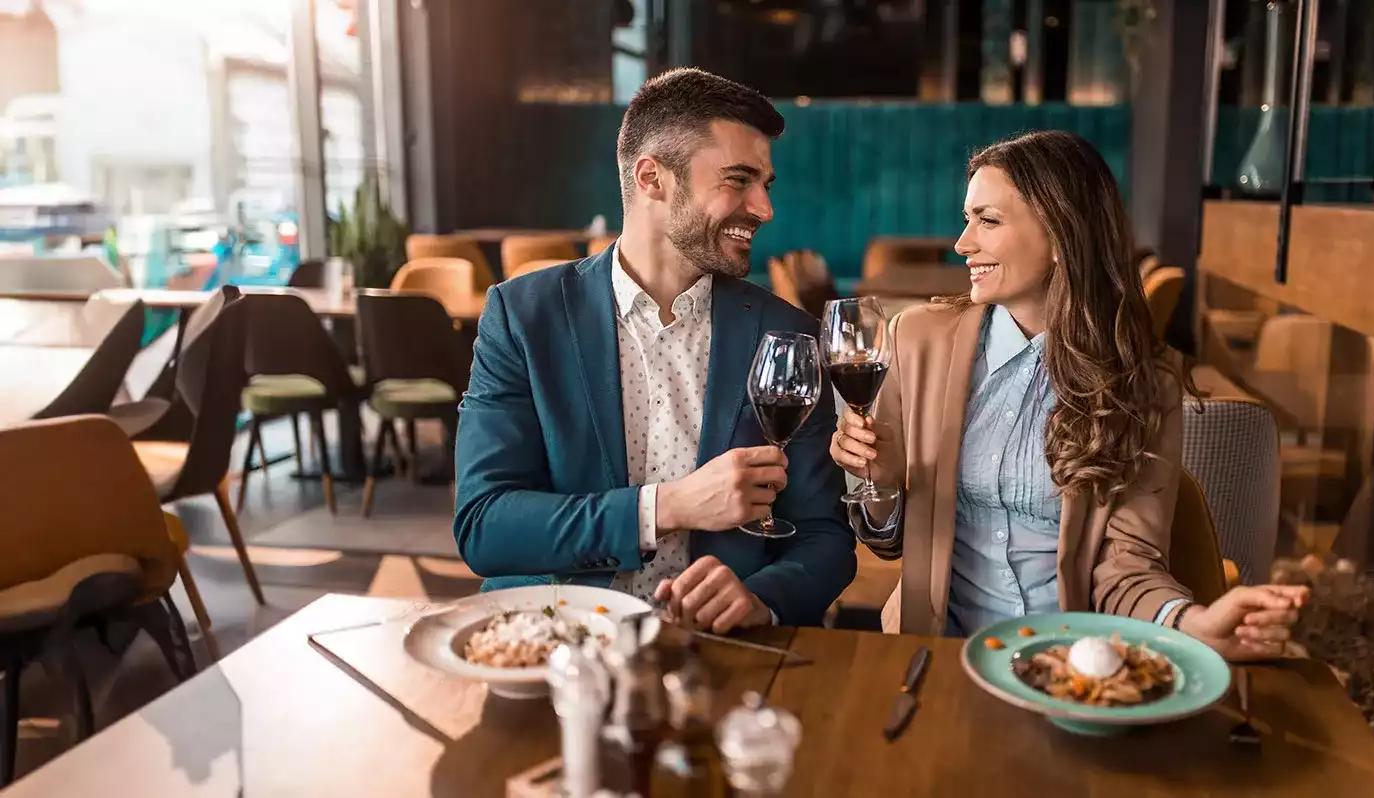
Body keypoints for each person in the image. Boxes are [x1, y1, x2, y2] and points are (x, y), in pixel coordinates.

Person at [830, 131, 1305, 660]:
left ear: (1061, 235)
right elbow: (889, 541)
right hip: (935, 656)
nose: (963, 243)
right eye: (968, 219)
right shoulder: (915, 340)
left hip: (1070, 666)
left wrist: (1194, 624)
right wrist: (884, 483)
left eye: (987, 221)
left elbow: (1128, 565)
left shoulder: (1143, 384)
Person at [454, 68, 855, 632]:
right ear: (652, 178)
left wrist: (760, 597)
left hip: (721, 653)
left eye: (766, 184)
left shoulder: (789, 334)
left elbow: (825, 537)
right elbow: (484, 527)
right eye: (739, 180)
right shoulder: (522, 317)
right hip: (553, 646)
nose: (763, 208)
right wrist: (665, 507)